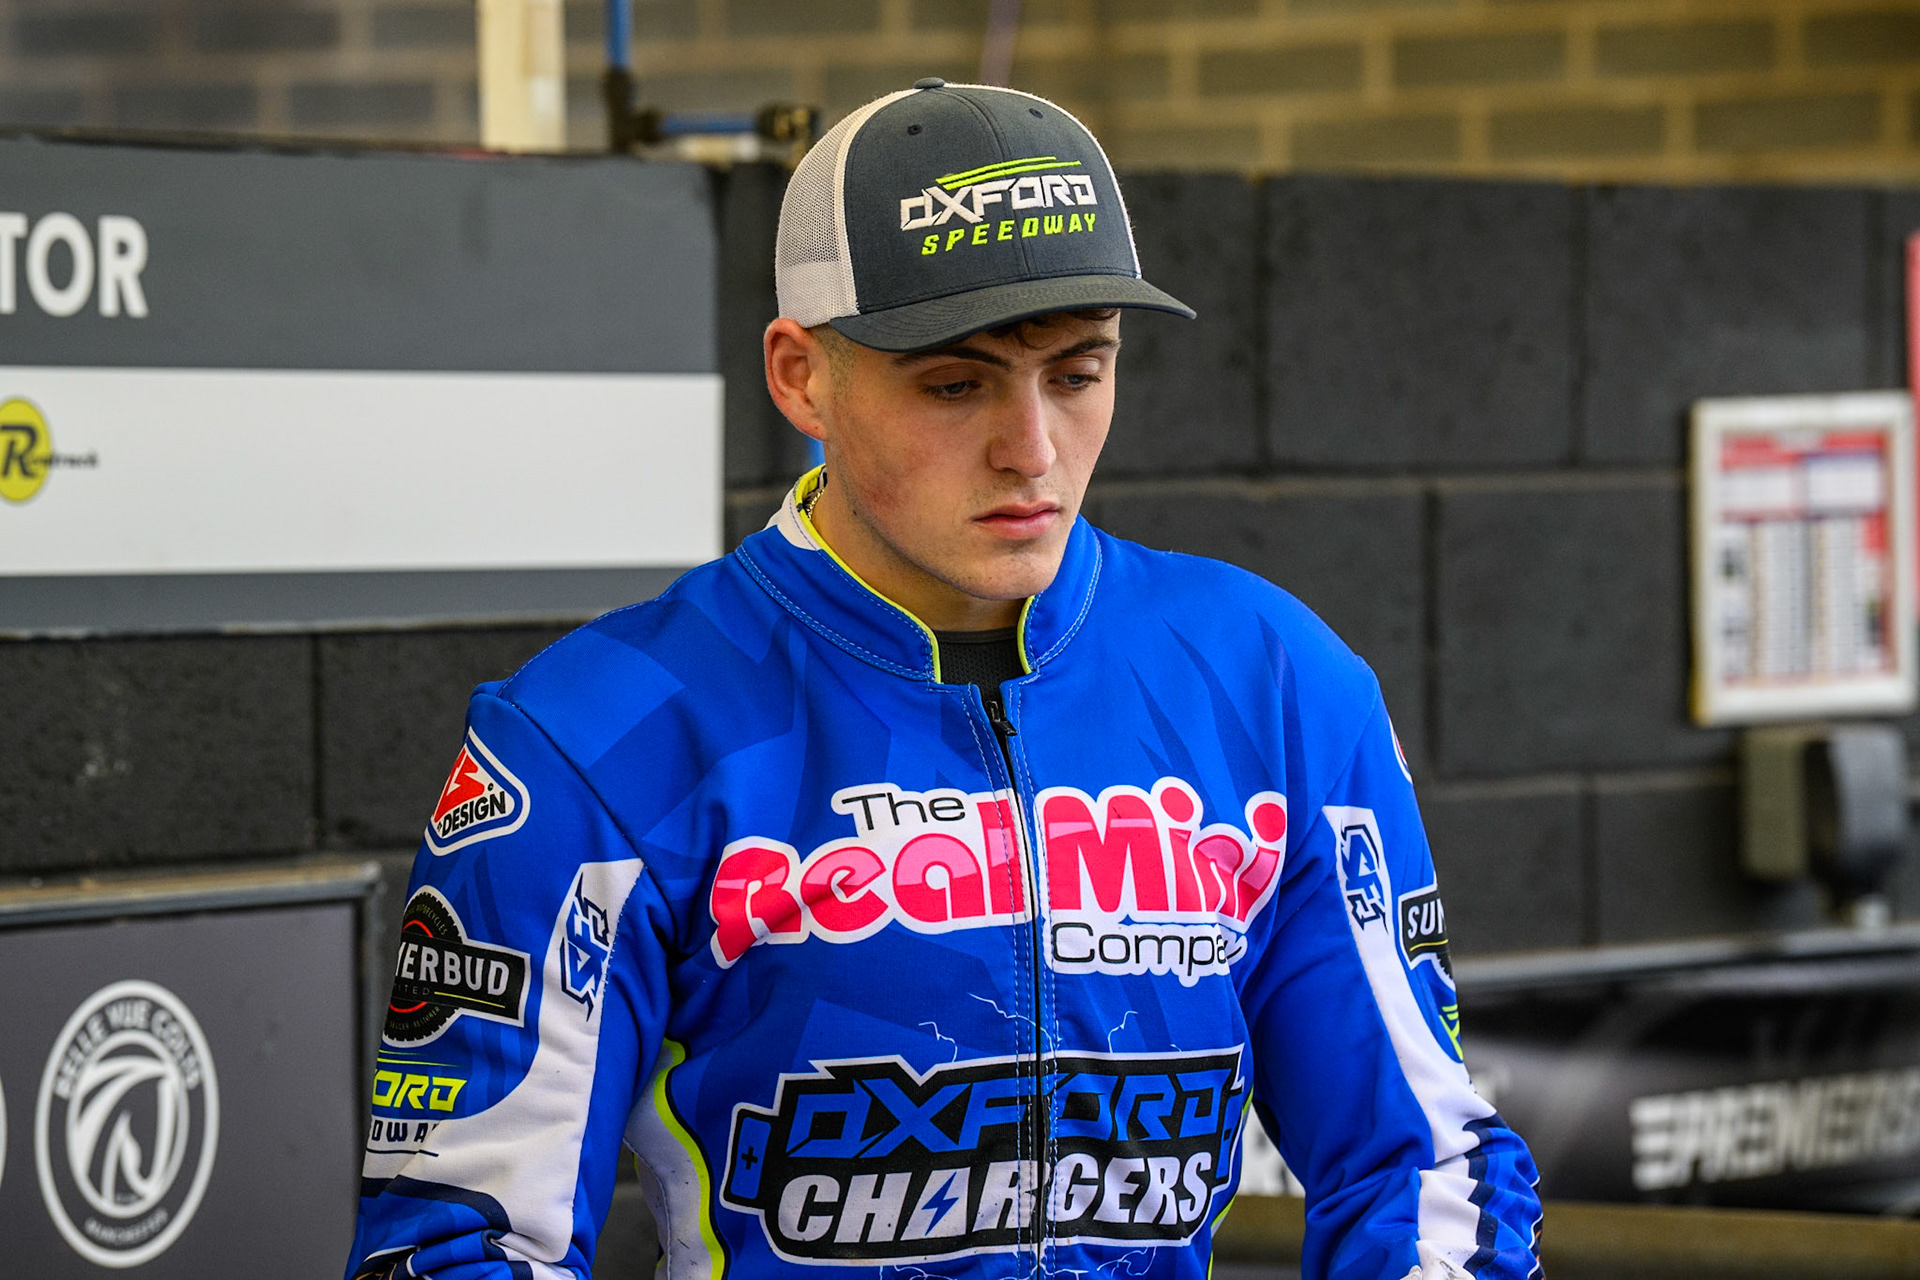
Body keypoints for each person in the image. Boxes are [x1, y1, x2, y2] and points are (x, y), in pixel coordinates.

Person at [345, 80, 1542, 1280]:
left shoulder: (1275, 680)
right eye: (956, 384)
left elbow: (1421, 1164)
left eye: (1078, 374)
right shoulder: (594, 736)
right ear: (801, 372)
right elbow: (458, 1242)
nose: (1032, 450)